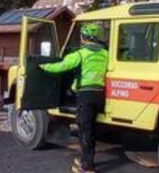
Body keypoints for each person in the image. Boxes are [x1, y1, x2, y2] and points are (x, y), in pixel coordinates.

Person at [39, 23, 108, 173]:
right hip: (100, 95)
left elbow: (61, 67)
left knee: (85, 131)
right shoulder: (105, 54)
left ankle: (86, 167)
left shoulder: (81, 54)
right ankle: (86, 161)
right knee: (91, 129)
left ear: (85, 37)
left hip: (85, 95)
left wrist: (43, 67)